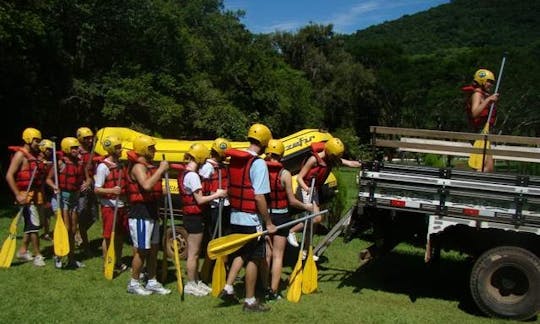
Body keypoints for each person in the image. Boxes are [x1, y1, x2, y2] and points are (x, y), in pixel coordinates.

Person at [218, 123, 277, 312]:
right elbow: (259, 196)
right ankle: (250, 301)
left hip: (235, 216)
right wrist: (268, 222)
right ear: (266, 142)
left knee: (241, 253)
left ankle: (228, 287)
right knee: (254, 258)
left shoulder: (236, 159)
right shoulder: (258, 163)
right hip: (251, 218)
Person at [287, 138, 361, 255]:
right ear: (329, 153)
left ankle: (307, 249)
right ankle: (291, 231)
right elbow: (299, 177)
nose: (337, 160)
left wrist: (362, 164)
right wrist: (307, 189)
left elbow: (350, 163)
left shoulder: (331, 159)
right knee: (316, 218)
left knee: (313, 223)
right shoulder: (313, 160)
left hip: (314, 190)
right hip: (304, 189)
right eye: (335, 157)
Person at [264, 139, 314, 301]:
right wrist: (306, 207)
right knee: (278, 255)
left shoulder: (261, 170)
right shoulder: (284, 174)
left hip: (265, 215)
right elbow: (292, 201)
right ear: (282, 155)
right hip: (281, 216)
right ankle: (273, 290)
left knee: (267, 253)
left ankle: (263, 286)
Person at [178, 143, 227, 296]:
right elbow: (199, 200)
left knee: (197, 251)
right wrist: (217, 194)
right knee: (193, 253)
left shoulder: (186, 173)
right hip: (194, 217)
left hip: (192, 216)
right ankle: (191, 284)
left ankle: (196, 280)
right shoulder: (192, 176)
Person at [125, 134, 171, 295]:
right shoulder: (138, 167)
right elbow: (146, 185)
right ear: (143, 149)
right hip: (140, 214)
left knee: (153, 249)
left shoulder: (148, 165)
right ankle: (134, 282)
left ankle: (152, 281)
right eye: (151, 148)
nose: (154, 150)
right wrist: (161, 169)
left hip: (152, 212)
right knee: (142, 250)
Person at [5, 128, 47, 267]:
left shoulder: (35, 155)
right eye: (36, 140)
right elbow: (9, 175)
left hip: (36, 194)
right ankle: (37, 255)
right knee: (33, 226)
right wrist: (17, 194)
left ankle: (23, 250)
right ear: (28, 139)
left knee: (35, 223)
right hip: (25, 195)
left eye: (39, 140)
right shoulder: (20, 155)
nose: (38, 143)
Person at [46, 137, 86, 269]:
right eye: (73, 148)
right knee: (65, 229)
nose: (76, 150)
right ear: (67, 149)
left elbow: (87, 178)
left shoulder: (80, 163)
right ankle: (58, 255)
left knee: (73, 230)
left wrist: (87, 183)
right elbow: (48, 179)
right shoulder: (60, 163)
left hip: (74, 199)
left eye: (77, 147)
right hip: (62, 199)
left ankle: (71, 259)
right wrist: (54, 187)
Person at [94, 135, 128, 273]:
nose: (120, 150)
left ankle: (118, 262)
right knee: (108, 237)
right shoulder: (103, 167)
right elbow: (97, 189)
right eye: (118, 148)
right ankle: (106, 263)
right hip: (109, 206)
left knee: (119, 237)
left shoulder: (120, 164)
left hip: (121, 206)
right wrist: (112, 190)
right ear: (111, 149)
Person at [463, 68, 500, 172]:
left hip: (485, 133)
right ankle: (471, 185)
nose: (491, 84)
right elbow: (474, 113)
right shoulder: (477, 94)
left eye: (492, 82)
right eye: (489, 81)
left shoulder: (484, 95)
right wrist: (488, 100)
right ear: (481, 81)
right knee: (484, 167)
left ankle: (475, 185)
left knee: (489, 167)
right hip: (478, 133)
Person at [199, 138, 232, 238]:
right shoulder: (208, 167)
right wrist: (215, 194)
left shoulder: (221, 165)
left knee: (224, 232)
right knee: (214, 233)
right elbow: (202, 187)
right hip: (214, 205)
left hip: (224, 203)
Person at [75, 127, 99, 255]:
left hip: (92, 186)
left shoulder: (92, 153)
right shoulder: (76, 152)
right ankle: (85, 245)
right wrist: (85, 181)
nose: (90, 140)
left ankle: (79, 232)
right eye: (87, 138)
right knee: (83, 217)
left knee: (94, 217)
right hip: (81, 188)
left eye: (91, 138)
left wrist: (91, 180)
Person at [37, 139, 55, 241]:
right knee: (43, 212)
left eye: (51, 150)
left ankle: (47, 232)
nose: (49, 151)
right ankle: (44, 231)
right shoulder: (38, 159)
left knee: (48, 212)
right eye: (48, 149)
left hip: (48, 188)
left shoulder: (51, 160)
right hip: (40, 189)